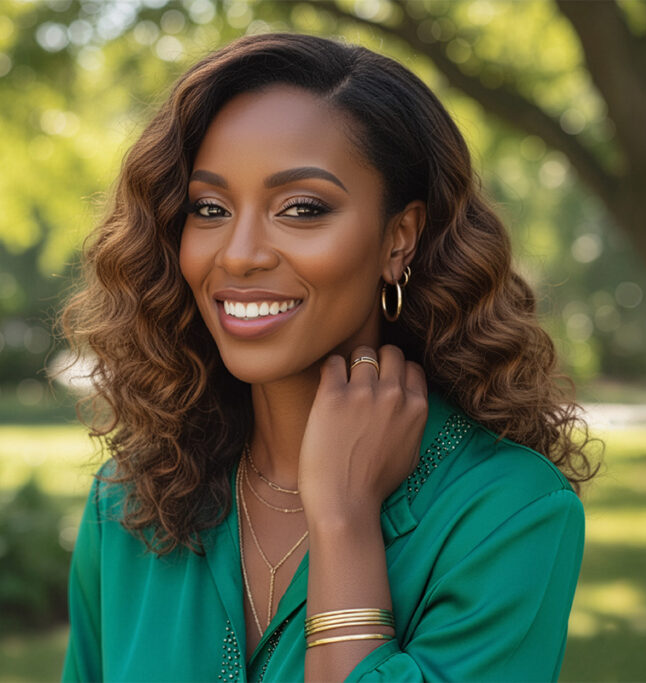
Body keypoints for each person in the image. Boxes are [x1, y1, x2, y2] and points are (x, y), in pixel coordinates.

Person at [56, 32, 598, 682]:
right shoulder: (128, 502)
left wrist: (344, 517)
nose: (239, 253)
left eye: (302, 208)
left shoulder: (505, 513)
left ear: (399, 238)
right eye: (211, 208)